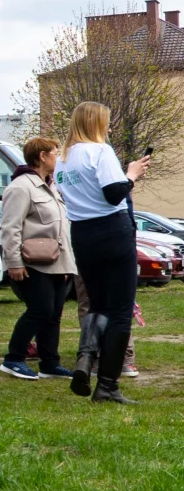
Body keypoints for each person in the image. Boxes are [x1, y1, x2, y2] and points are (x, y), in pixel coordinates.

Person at [54, 101, 149, 403]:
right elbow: (113, 195)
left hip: (82, 234)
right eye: (107, 124)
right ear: (95, 124)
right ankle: (107, 384)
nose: (109, 130)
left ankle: (86, 357)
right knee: (120, 311)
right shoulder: (100, 151)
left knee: (97, 305)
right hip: (112, 231)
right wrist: (132, 174)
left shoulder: (63, 159)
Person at [0, 136, 76, 381]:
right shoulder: (20, 187)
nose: (59, 157)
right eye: (55, 152)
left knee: (53, 314)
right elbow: (11, 228)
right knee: (40, 310)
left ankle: (50, 363)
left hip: (55, 262)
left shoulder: (51, 186)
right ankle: (14, 359)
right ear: (42, 156)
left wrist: (65, 263)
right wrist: (14, 263)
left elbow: (60, 226)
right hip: (32, 263)